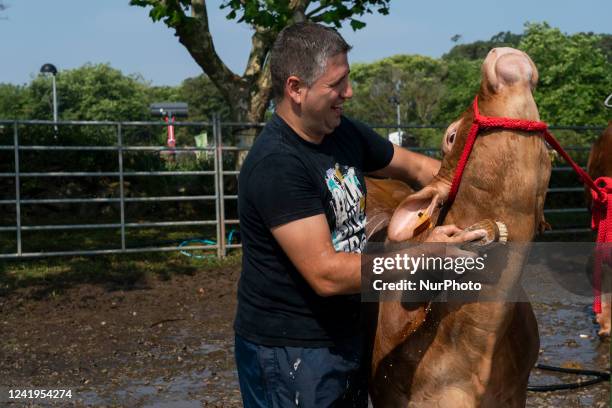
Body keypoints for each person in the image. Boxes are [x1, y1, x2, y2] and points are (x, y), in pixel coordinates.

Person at [234, 22, 484, 408]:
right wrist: (422, 257)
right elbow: (327, 274)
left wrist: (478, 193)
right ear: (296, 89)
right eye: (337, 84)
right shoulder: (277, 165)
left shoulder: (342, 133)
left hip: (346, 332)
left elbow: (417, 167)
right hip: (291, 352)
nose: (348, 93)